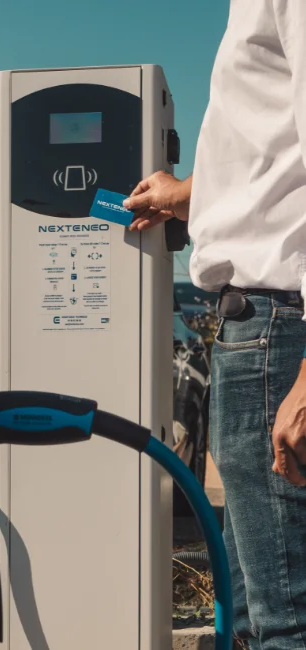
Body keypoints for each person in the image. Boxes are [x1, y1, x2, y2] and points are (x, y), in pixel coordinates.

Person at [123, 3, 306, 648]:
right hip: (255, 331)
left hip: (280, 331)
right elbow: (274, 162)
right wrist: (188, 193)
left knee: (285, 620)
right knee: (256, 615)